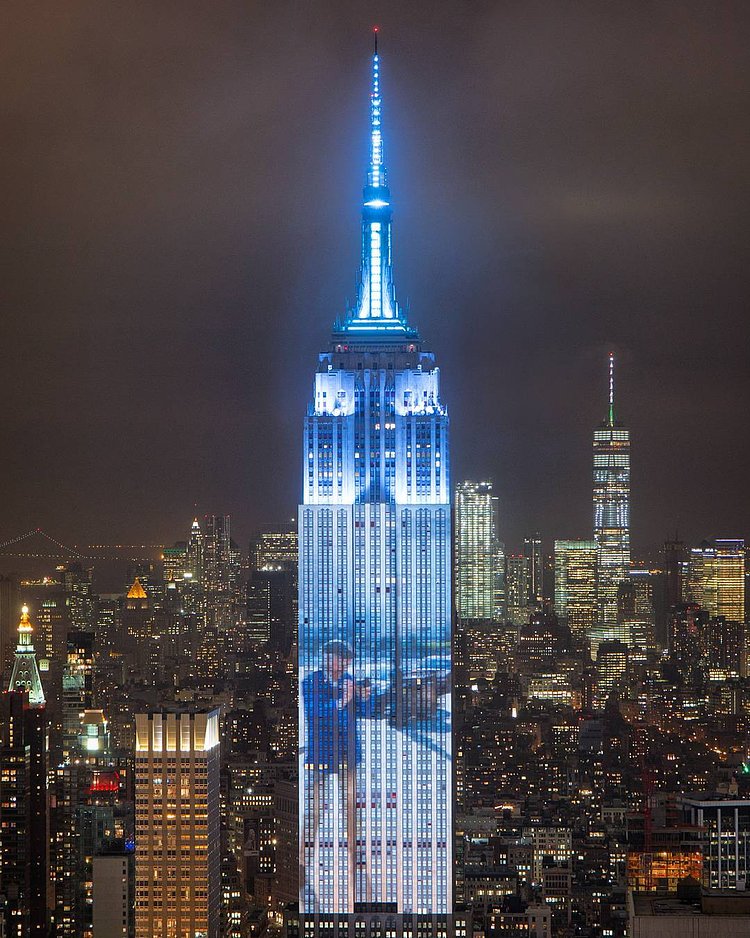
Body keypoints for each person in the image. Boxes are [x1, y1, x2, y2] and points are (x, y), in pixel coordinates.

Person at [300, 639, 370, 910]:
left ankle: (358, 859)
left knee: (351, 809)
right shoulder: (311, 682)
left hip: (347, 756)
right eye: (338, 658)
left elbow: (360, 713)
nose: (342, 664)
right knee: (315, 811)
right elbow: (316, 714)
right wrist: (343, 700)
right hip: (320, 755)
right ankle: (305, 865)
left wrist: (363, 698)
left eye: (345, 660)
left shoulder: (350, 680)